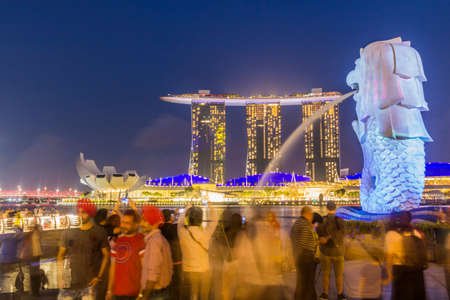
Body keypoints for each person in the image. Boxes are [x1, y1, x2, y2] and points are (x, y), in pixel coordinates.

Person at [57, 198, 109, 300]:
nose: (80, 215)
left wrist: (99, 276)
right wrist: (60, 278)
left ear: (90, 213)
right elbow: (60, 256)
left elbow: (106, 255)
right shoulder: (68, 232)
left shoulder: (99, 232)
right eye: (78, 212)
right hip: (72, 281)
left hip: (90, 282)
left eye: (83, 212)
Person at [384, 211, 427, 300]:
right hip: (417, 271)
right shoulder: (417, 233)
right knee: (418, 296)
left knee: (401, 295)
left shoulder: (391, 234)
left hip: (401, 270)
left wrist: (388, 274)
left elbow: (389, 256)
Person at [178, 203, 218, 300]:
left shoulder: (183, 232)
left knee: (192, 294)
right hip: (204, 269)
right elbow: (214, 221)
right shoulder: (206, 233)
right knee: (204, 295)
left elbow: (180, 221)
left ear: (188, 219)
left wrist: (188, 205)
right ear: (201, 219)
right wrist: (210, 204)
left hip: (188, 270)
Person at [106, 209, 145, 300]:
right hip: (117, 292)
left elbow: (145, 268)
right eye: (122, 222)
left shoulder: (142, 241)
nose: (123, 225)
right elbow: (113, 266)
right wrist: (109, 290)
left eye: (127, 223)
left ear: (136, 224)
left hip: (134, 293)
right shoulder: (118, 241)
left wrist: (141, 293)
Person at [138, 205, 173, 300]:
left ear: (153, 222)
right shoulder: (159, 239)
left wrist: (144, 296)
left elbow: (153, 273)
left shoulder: (154, 242)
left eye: (144, 220)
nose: (141, 223)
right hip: (159, 291)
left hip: (154, 293)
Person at [317, 200, 346, 300]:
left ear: (326, 208)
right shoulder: (341, 220)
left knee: (326, 274)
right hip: (338, 251)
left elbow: (319, 233)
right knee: (339, 275)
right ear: (335, 208)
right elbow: (342, 234)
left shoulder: (322, 220)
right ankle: (340, 294)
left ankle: (325, 294)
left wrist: (325, 238)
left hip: (326, 251)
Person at [290, 206, 318, 300]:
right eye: (311, 215)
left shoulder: (297, 223)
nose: (312, 217)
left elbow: (295, 240)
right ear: (307, 214)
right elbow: (305, 243)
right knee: (308, 283)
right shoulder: (304, 224)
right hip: (306, 258)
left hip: (299, 257)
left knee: (301, 282)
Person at [160, 209, 182, 300]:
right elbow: (183, 223)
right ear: (170, 217)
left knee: (165, 285)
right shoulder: (175, 228)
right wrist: (176, 215)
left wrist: (174, 214)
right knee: (176, 285)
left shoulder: (159, 228)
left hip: (163, 262)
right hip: (176, 262)